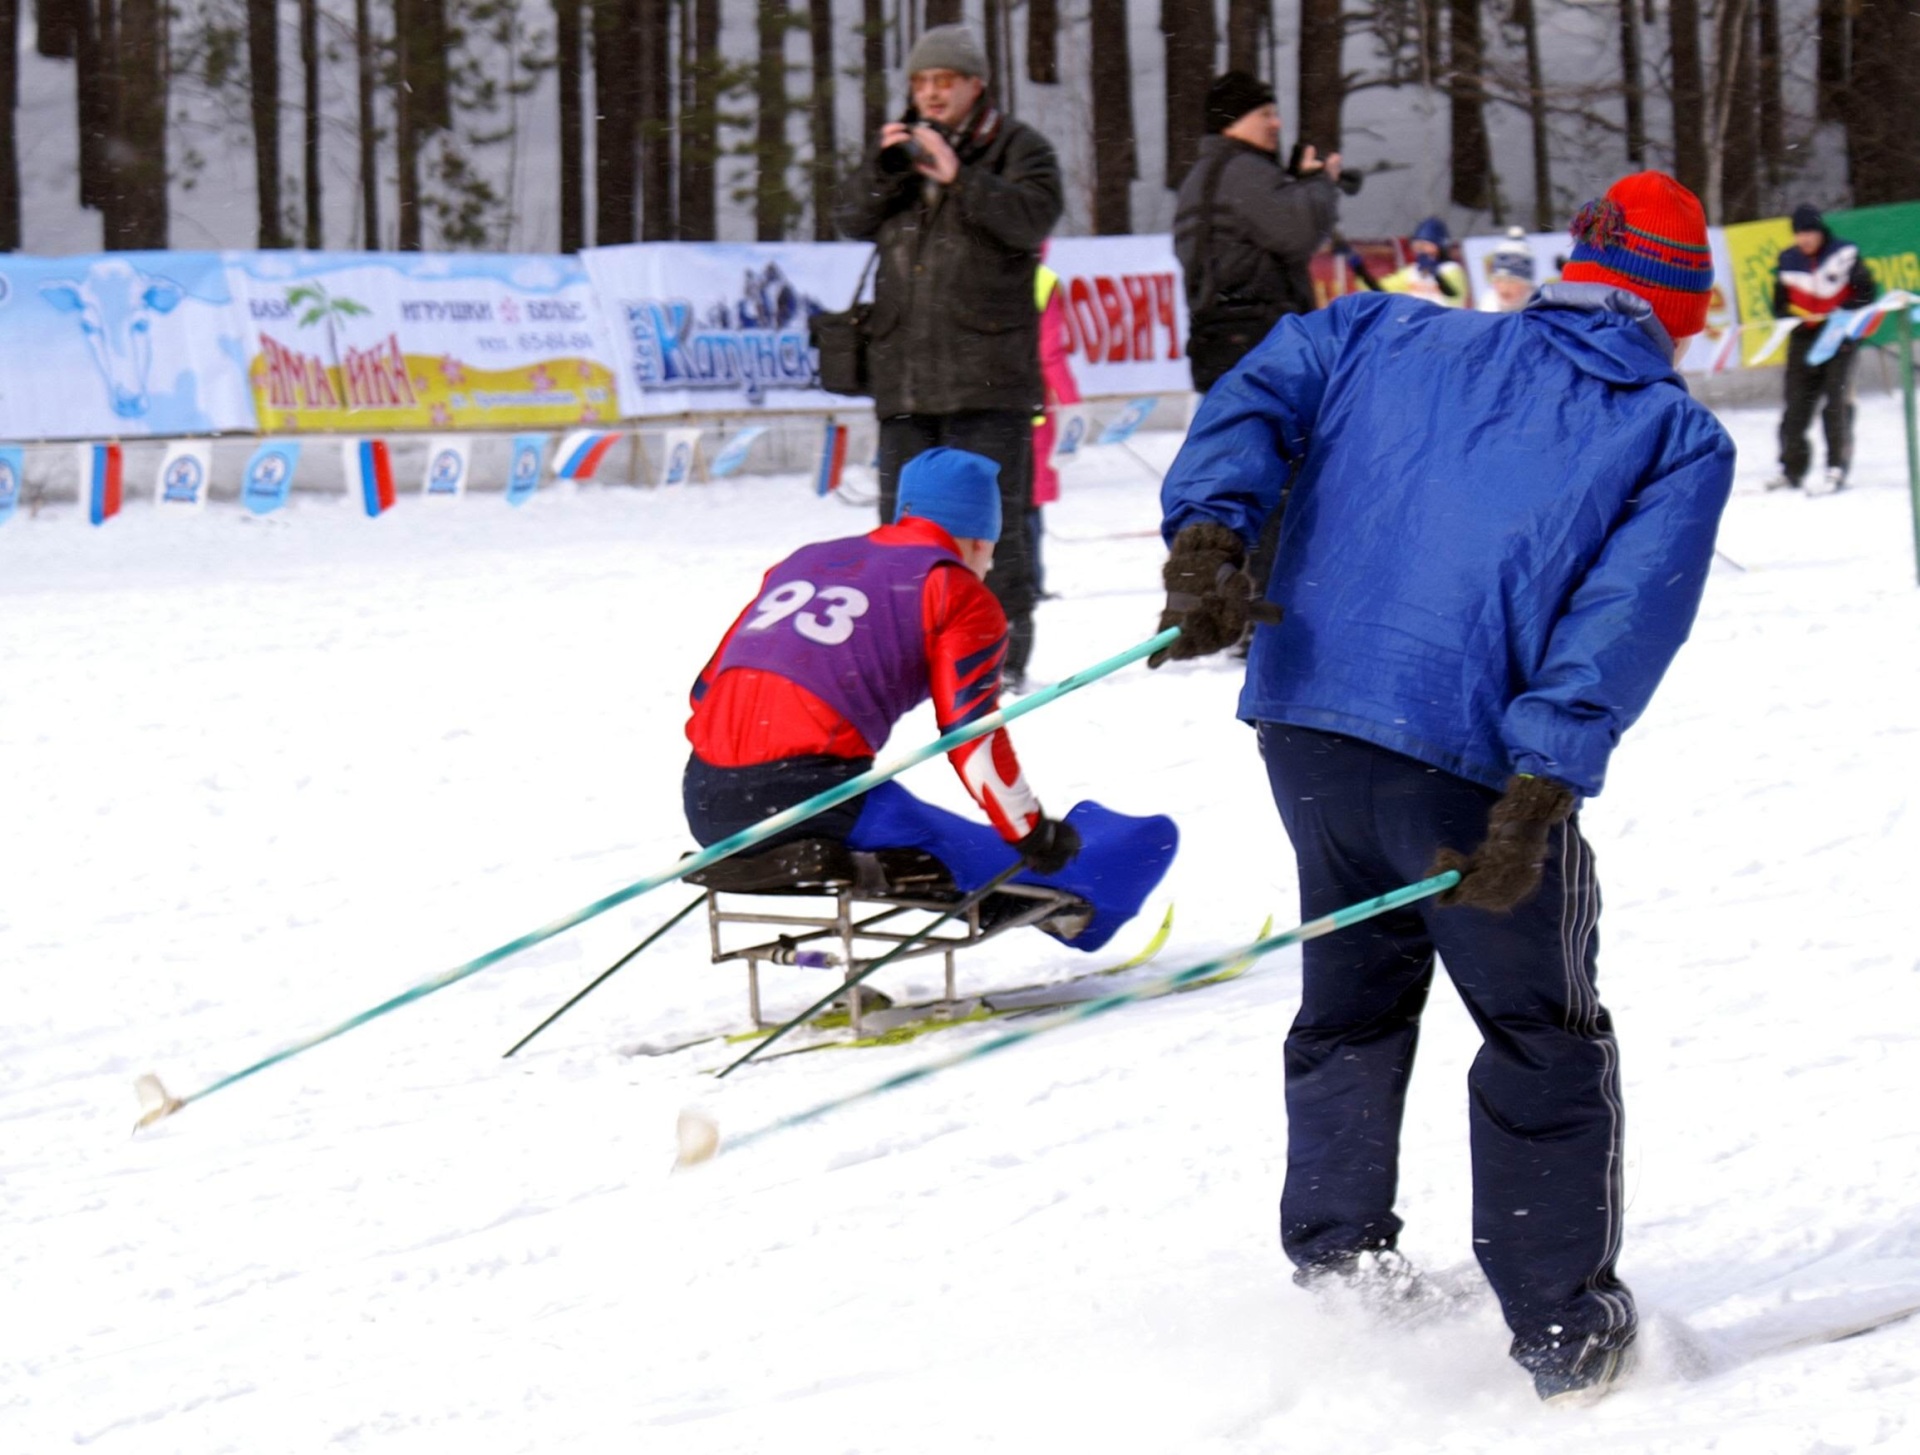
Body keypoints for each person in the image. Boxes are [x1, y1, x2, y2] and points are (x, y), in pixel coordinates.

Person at [1153, 171, 1736, 1404]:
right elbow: (1619, 620)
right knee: (1540, 1031)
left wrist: (1210, 529)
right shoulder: (1673, 434)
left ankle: (1342, 1270)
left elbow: (1259, 386)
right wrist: (1543, 783)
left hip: (1309, 725)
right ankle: (1569, 1336)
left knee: (1355, 998)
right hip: (1468, 767)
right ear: (1681, 307)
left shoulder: (1385, 328)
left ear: (1578, 266)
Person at [832, 24, 1063, 689]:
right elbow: (848, 218)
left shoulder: (1019, 147)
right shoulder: (902, 150)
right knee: (901, 529)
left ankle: (999, 659)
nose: (931, 94)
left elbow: (1033, 218)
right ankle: (907, 650)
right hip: (903, 377)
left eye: (944, 81)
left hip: (988, 377)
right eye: (921, 82)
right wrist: (884, 169)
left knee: (992, 529)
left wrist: (962, 178)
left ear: (974, 85)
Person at [1173, 71, 1342, 393]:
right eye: (1265, 114)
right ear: (1233, 120)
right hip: (1260, 343)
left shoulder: (1201, 176)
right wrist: (1320, 184)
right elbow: (1299, 231)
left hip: (1216, 343)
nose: (1276, 123)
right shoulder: (1243, 172)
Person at [1768, 203, 1878, 494]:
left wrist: (1841, 313)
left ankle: (1836, 467)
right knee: (1795, 405)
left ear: (1820, 232)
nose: (1804, 239)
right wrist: (1796, 320)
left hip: (1839, 336)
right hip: (1804, 339)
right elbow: (1779, 304)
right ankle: (1791, 469)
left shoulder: (1844, 254)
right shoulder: (1787, 259)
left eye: (1810, 232)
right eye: (1799, 233)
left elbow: (1867, 291)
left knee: (1836, 402)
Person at [1029, 251, 1080, 600]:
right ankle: (1028, 581)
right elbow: (1050, 353)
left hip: (974, 402)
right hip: (1028, 404)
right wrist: (1071, 401)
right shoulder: (1042, 280)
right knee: (1027, 501)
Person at [1380, 216, 1469, 306]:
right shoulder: (1411, 271)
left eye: (1424, 245)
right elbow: (1382, 289)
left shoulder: (1451, 269)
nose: (1420, 250)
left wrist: (1436, 275)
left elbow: (1454, 296)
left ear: (1439, 246)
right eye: (1417, 245)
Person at [1477, 227, 1536, 312]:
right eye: (1499, 280)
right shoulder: (1486, 309)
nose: (1504, 288)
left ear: (1527, 286)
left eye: (1511, 281)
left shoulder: (1541, 312)